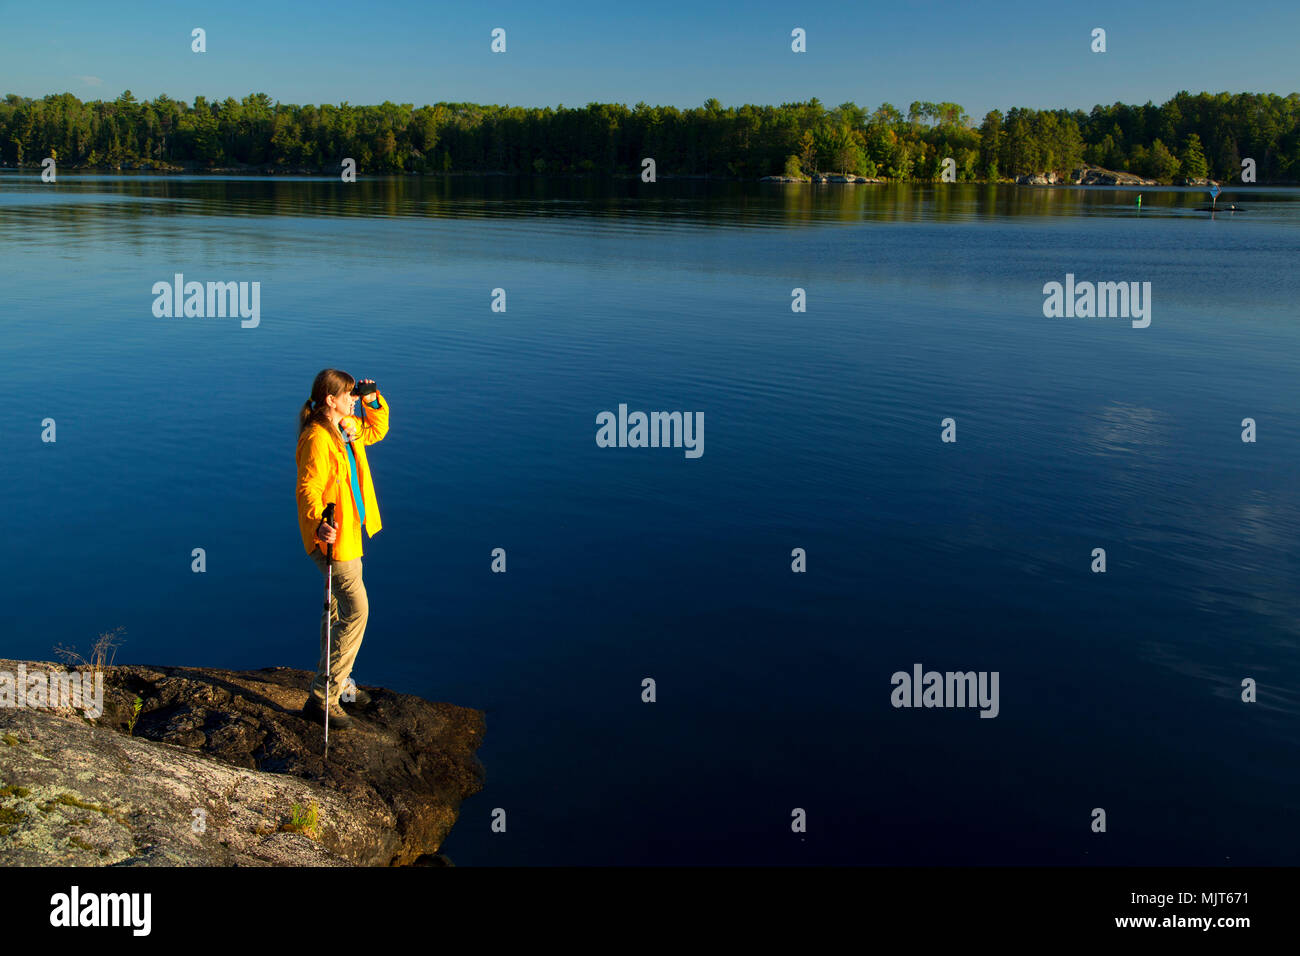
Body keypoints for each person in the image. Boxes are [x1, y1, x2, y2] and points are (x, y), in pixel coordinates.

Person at [295, 368, 390, 729]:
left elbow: (376, 430)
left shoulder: (346, 426)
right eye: (348, 394)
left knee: (335, 610)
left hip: (350, 532)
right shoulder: (318, 438)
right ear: (330, 399)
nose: (352, 399)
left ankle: (340, 683)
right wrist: (321, 522)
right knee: (357, 611)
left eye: (354, 394)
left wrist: (370, 399)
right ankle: (324, 697)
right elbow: (308, 488)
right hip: (332, 538)